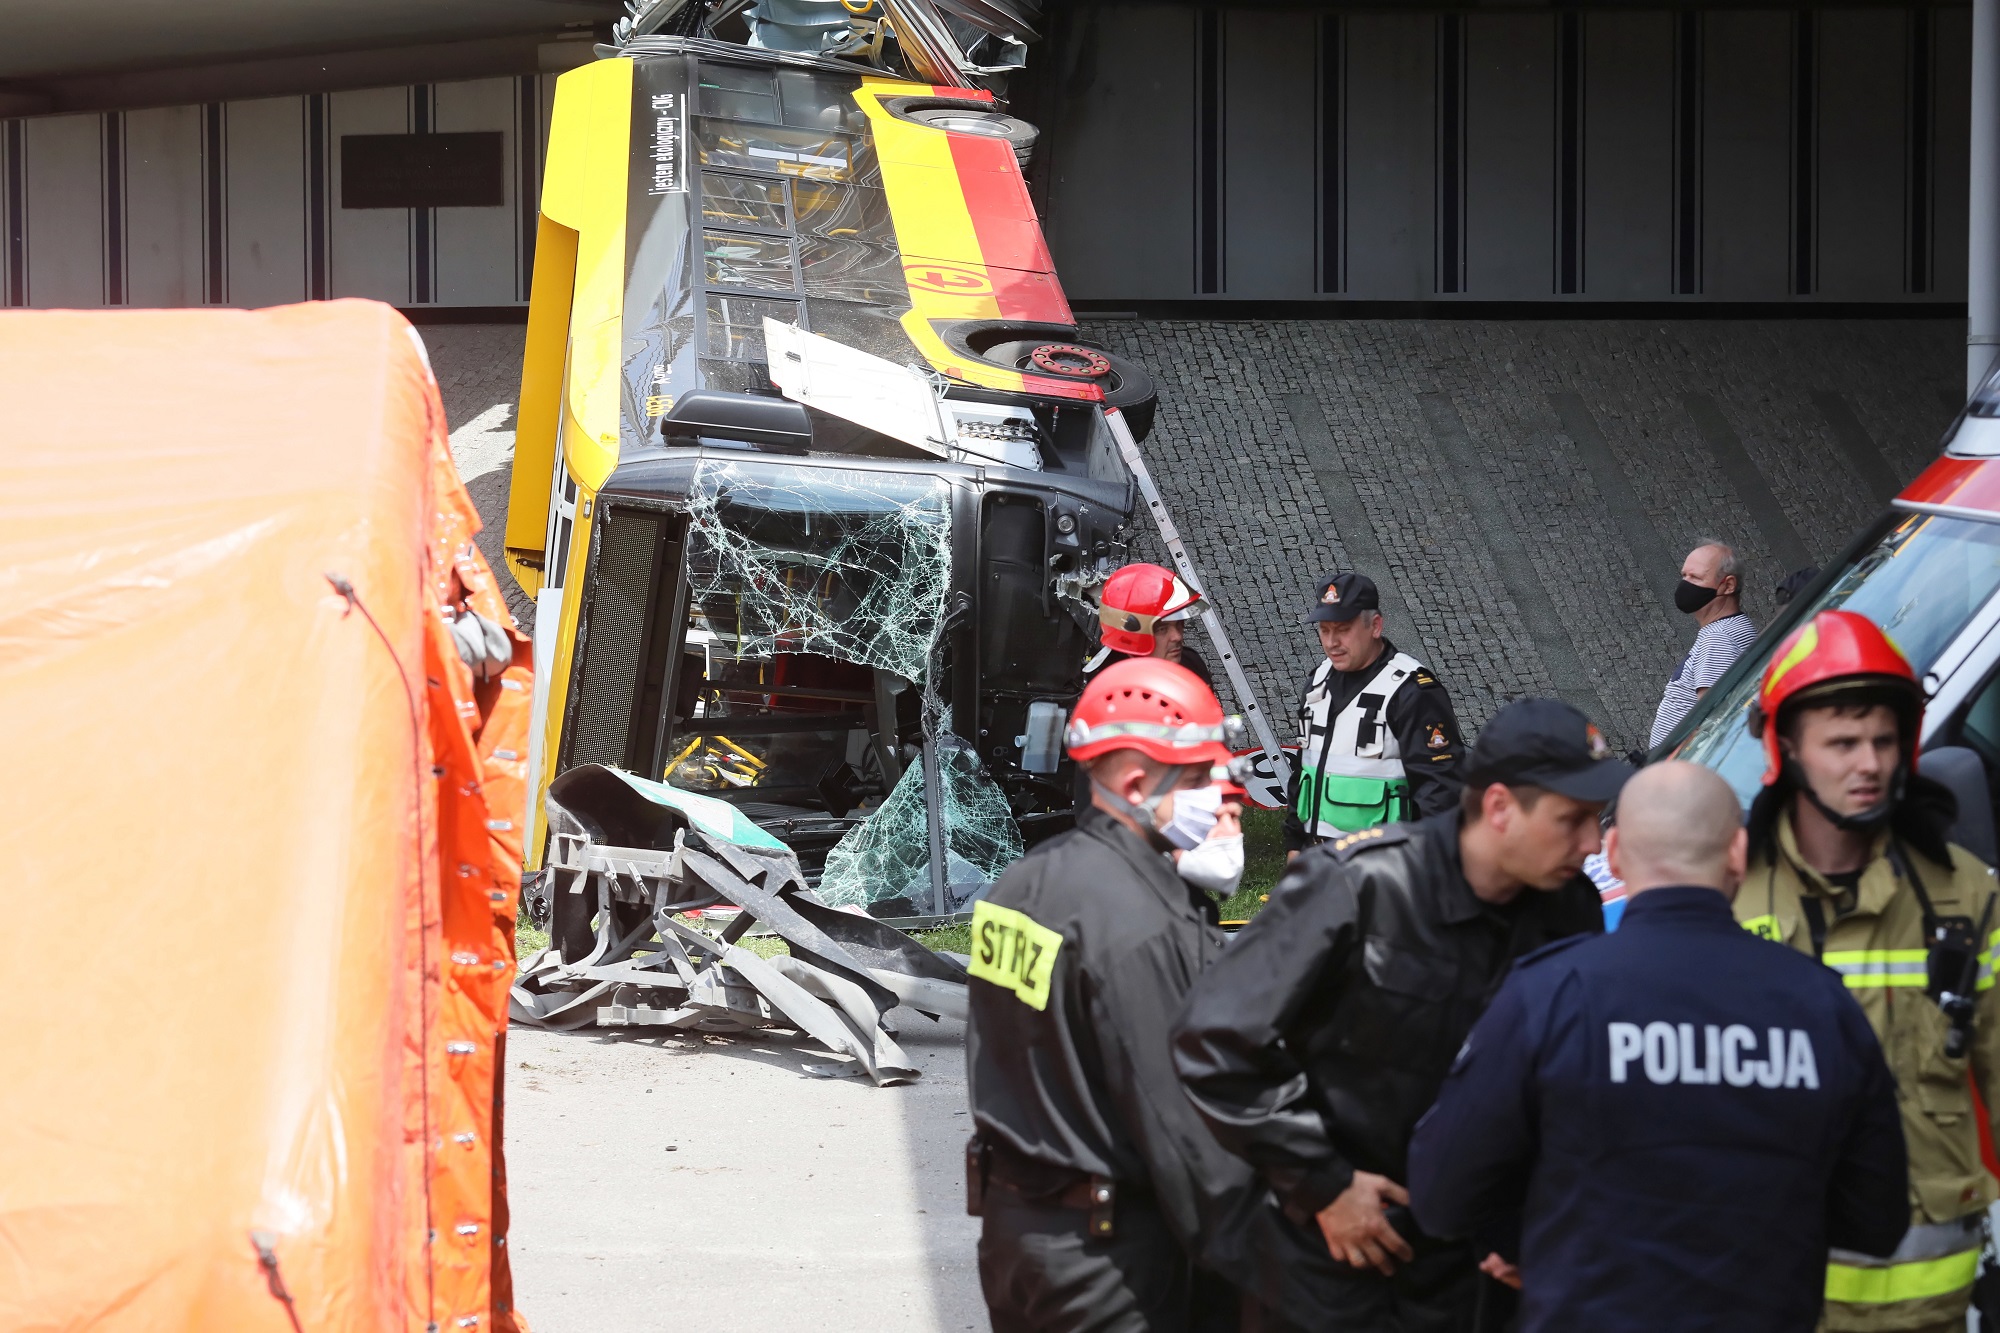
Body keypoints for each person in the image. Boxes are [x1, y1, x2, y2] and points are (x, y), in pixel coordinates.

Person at [1406, 761, 1908, 1331]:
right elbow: (1877, 1219)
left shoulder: (1550, 993)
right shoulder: (1821, 1005)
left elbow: (1442, 1193)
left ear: (1613, 853)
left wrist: (1535, 1235)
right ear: (1738, 852)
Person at [1172, 698, 1624, 1331]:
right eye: (1571, 820)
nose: (1590, 843)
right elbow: (1213, 1042)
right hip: (1333, 1260)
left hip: (1476, 1274)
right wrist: (1323, 1183)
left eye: (1596, 819)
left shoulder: (1567, 907)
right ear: (1498, 807)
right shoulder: (1357, 886)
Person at [968, 657, 1317, 1332]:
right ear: (1133, 781)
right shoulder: (1137, 925)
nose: (1221, 792)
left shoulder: (1020, 887)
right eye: (1195, 777)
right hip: (1113, 1263)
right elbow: (1180, 1129)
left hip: (1018, 1239)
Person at [1734, 608, 2000, 1333]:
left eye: (1884, 739)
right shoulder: (1728, 895)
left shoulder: (1967, 892)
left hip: (1930, 1302)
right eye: (1844, 741)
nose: (1870, 763)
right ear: (1786, 745)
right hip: (1771, 1292)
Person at [1284, 572, 1464, 856]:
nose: (1331, 642)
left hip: (1384, 862)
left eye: (1342, 629)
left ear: (1375, 626)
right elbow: (1305, 768)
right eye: (1324, 630)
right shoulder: (1318, 681)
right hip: (1316, 856)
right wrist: (1295, 842)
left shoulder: (1411, 691)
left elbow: (1440, 791)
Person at [1649, 539, 1757, 748]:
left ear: (1728, 586)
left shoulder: (1719, 640)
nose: (1685, 584)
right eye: (1684, 576)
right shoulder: (1729, 628)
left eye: (1695, 578)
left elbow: (1711, 720)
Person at [1090, 561, 1216, 691]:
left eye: (1179, 624)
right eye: (1162, 629)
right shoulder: (1109, 692)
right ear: (1132, 634)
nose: (1177, 637)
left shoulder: (1191, 664)